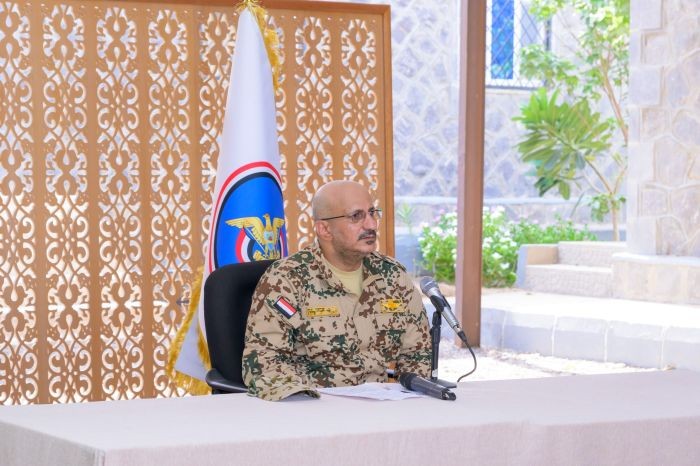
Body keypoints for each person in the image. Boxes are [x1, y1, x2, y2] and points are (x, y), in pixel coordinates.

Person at [242, 180, 432, 400]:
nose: (371, 224)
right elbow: (263, 362)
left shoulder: (393, 276)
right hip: (314, 407)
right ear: (325, 229)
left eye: (372, 213)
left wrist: (410, 399)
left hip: (381, 407)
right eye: (356, 216)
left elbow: (418, 353)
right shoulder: (286, 280)